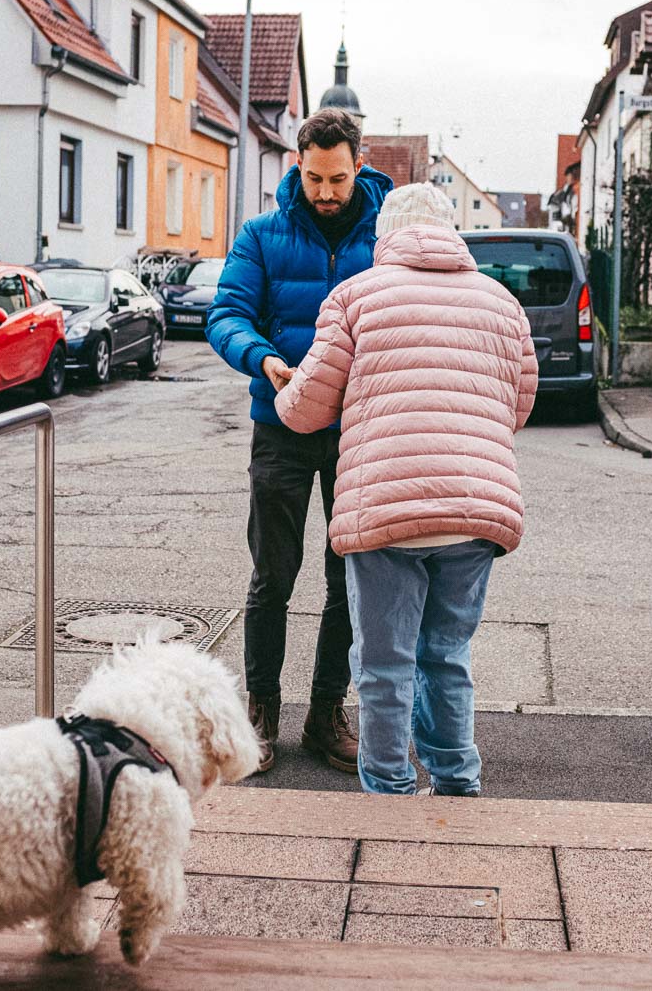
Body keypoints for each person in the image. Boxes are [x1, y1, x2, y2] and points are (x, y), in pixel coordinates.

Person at [272, 183, 537, 796]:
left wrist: (283, 395)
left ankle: (390, 787)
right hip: (475, 509)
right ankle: (457, 780)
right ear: (452, 232)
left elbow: (309, 407)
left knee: (384, 663)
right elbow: (517, 405)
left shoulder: (357, 296)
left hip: (386, 507)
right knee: (446, 655)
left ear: (384, 235)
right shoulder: (502, 302)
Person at [206, 109, 393, 774]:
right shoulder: (262, 234)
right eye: (314, 178)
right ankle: (259, 711)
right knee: (271, 578)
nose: (326, 192)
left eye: (338, 178)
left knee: (351, 578)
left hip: (360, 430)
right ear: (297, 167)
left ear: (359, 166)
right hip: (280, 423)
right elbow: (226, 313)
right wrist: (260, 357)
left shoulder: (391, 232)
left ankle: (324, 713)